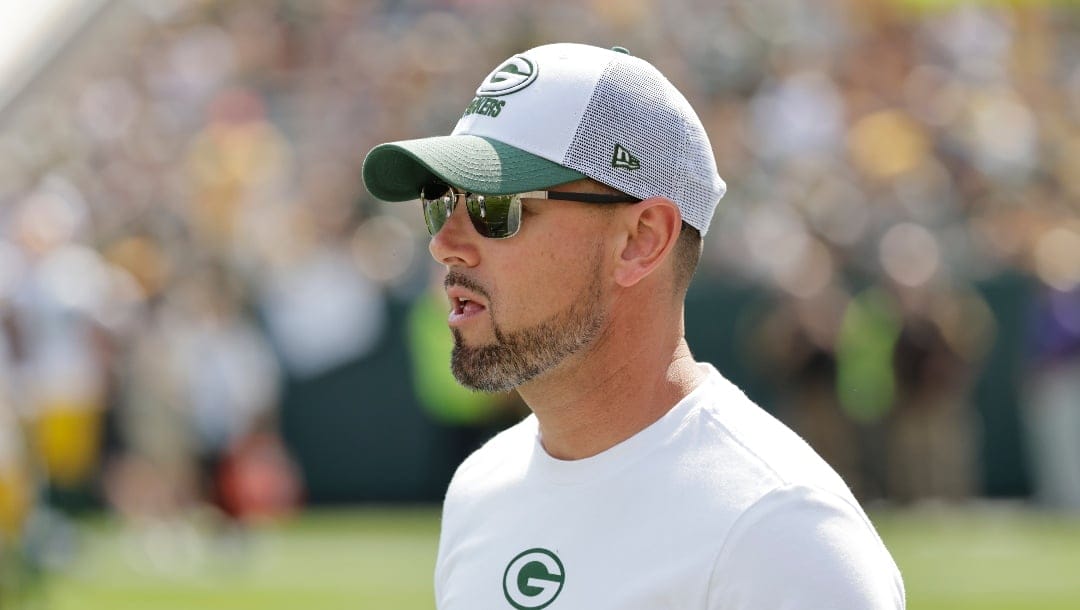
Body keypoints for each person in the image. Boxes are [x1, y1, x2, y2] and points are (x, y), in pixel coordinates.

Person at [363, 43, 905, 610]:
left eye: (493, 207)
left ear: (641, 240)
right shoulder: (481, 487)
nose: (443, 243)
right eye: (439, 201)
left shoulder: (780, 533)